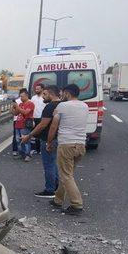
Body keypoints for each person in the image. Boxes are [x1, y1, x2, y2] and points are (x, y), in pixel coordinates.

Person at [46, 84, 88, 215]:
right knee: (67, 174)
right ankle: (58, 200)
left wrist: (49, 142)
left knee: (66, 175)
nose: (62, 96)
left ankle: (77, 205)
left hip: (66, 144)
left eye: (63, 93)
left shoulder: (62, 106)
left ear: (68, 94)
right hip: (81, 145)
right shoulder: (85, 106)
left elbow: (53, 126)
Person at [21, 85, 61, 198]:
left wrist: (29, 136)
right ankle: (56, 185)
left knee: (48, 165)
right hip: (59, 138)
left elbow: (43, 125)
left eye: (44, 94)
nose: (42, 97)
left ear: (50, 94)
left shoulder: (50, 107)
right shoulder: (62, 105)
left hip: (49, 139)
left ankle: (50, 190)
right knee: (53, 163)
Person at [12, 90, 34, 161]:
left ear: (26, 96)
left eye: (22, 96)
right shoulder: (20, 104)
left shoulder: (30, 103)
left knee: (26, 141)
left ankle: (28, 155)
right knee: (18, 140)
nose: (20, 98)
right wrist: (13, 107)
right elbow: (15, 113)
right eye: (20, 96)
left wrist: (17, 107)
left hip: (25, 124)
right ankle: (22, 154)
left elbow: (25, 112)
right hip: (18, 124)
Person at [30, 83, 46, 154]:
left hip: (43, 119)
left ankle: (41, 149)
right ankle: (35, 149)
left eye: (38, 89)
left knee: (42, 135)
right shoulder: (33, 98)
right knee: (34, 134)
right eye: (36, 89)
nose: (36, 90)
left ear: (42, 89)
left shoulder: (45, 97)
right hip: (34, 118)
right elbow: (31, 108)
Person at [11, 92, 23, 156]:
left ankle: (16, 150)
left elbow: (12, 111)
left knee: (17, 136)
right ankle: (20, 150)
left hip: (18, 120)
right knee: (19, 135)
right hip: (19, 120)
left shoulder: (16, 101)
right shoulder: (17, 101)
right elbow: (13, 111)